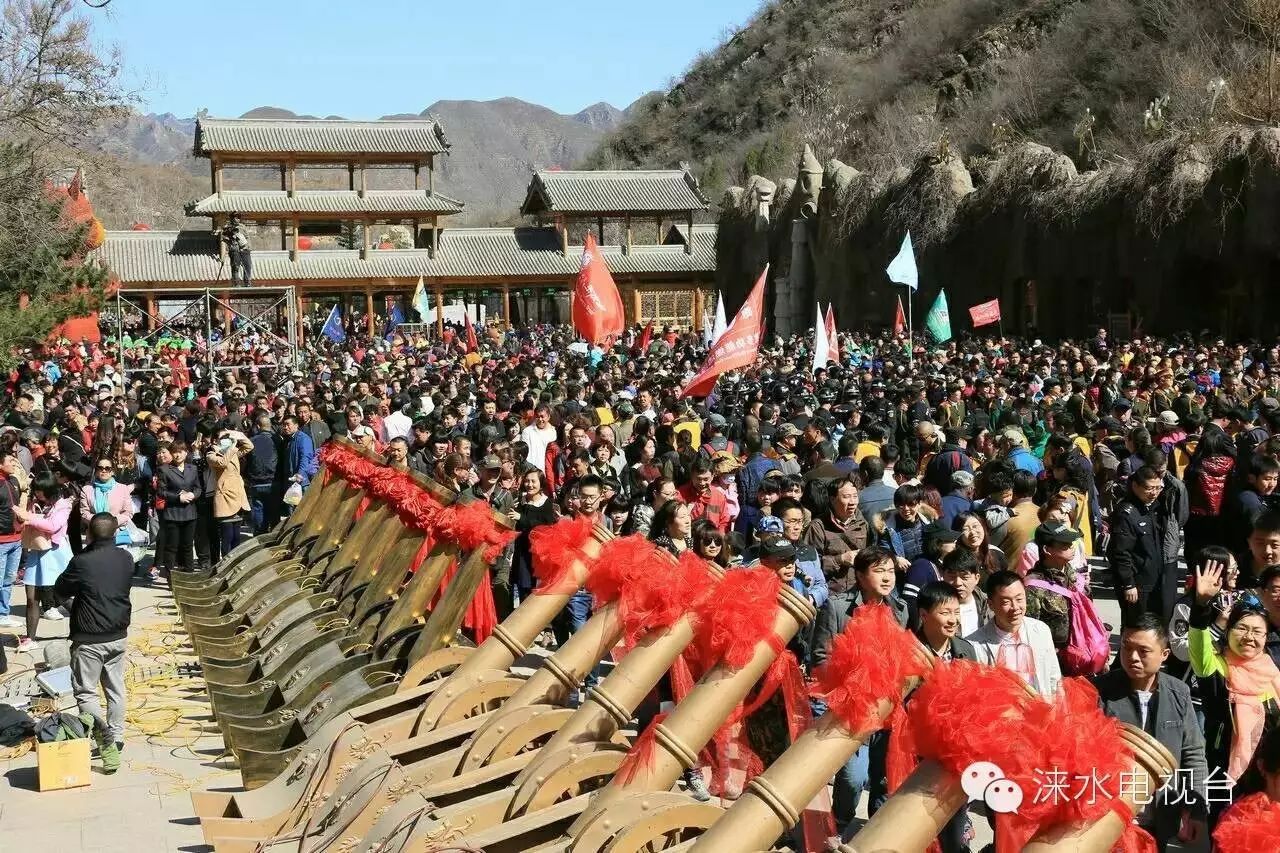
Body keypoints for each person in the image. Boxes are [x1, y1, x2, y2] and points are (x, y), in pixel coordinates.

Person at [1093, 614, 1208, 850]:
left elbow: (1194, 755)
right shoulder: (1099, 692)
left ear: (1164, 654)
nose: (1133, 657)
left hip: (1162, 814)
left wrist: (1197, 809)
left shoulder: (1179, 693)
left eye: (1143, 651)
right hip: (1111, 815)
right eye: (1127, 648)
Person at [816, 547, 907, 838]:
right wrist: (848, 683)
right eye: (879, 571)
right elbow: (820, 656)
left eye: (891, 571)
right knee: (854, 777)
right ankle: (839, 825)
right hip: (852, 707)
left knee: (883, 778)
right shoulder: (837, 607)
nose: (887, 577)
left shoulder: (900, 609)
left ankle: (873, 836)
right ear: (860, 575)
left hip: (888, 708)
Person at [1187, 559, 1280, 794]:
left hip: (1269, 776)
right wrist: (1201, 605)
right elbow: (1198, 642)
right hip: (1226, 774)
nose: (1249, 637)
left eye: (1257, 631)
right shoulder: (1216, 667)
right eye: (1241, 628)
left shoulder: (1272, 670)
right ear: (1228, 632)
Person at [54, 512, 135, 774]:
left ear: (88, 533)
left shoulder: (82, 562)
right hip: (118, 634)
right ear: (115, 533)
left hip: (89, 638)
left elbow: (60, 589)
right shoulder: (126, 558)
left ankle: (104, 740)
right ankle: (117, 736)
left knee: (86, 692)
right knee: (115, 688)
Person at [912, 580, 978, 853]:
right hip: (914, 750)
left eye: (956, 612)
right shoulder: (909, 649)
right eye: (945, 612)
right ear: (924, 615)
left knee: (952, 822)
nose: (952, 620)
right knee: (912, 822)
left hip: (953, 752)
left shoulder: (965, 650)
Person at [967, 571, 1062, 697]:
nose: (1015, 607)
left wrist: (1056, 704)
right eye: (1006, 602)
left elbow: (1054, 678)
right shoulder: (974, 644)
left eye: (1019, 599)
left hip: (1042, 704)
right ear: (991, 604)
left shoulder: (1041, 630)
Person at [14, 477, 73, 652]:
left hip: (55, 555)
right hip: (36, 551)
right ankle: (30, 638)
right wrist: (22, 516)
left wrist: (29, 518)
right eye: (36, 489)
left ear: (49, 489)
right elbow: (23, 523)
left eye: (40, 489)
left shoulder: (63, 505)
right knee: (31, 597)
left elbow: (53, 526)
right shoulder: (34, 503)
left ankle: (87, 625)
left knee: (60, 596)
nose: (37, 493)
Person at [1109, 465, 1169, 626]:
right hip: (1137, 583)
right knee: (1136, 627)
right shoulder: (1126, 513)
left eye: (1158, 488)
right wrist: (1128, 584)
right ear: (1135, 486)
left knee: (1153, 626)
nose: (1154, 493)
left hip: (1153, 578)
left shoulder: (1153, 508)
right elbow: (1120, 552)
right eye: (1149, 488)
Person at [156, 441, 200, 578]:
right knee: (171, 546)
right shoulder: (165, 469)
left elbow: (198, 487)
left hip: (190, 512)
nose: (177, 455)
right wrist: (177, 497)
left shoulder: (193, 468)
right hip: (173, 513)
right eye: (174, 452)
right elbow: (161, 491)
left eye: (180, 452)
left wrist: (193, 494)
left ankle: (189, 575)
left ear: (186, 453)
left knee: (188, 546)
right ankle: (170, 577)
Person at [207, 430, 253, 556]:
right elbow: (222, 463)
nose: (227, 439)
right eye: (223, 438)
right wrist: (232, 447)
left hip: (238, 495)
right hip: (225, 498)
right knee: (227, 536)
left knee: (237, 537)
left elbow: (249, 446)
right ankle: (225, 561)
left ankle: (235, 561)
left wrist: (236, 434)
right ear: (215, 441)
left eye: (227, 437)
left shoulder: (233, 452)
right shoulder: (211, 454)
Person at [942, 548, 991, 636]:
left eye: (964, 577)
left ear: (976, 578)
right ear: (943, 576)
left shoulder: (989, 604)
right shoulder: (933, 606)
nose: (958, 583)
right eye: (952, 576)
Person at [0, 450, 24, 630]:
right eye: (10, 461)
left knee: (9, 579)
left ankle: (3, 614)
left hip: (16, 539)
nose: (14, 464)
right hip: (1, 540)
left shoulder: (14, 481)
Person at [221, 213, 253, 287]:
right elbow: (224, 240)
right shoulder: (227, 228)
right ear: (232, 218)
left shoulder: (243, 227)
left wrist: (248, 247)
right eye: (235, 217)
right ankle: (236, 283)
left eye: (238, 217)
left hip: (245, 250)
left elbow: (247, 237)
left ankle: (247, 283)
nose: (237, 219)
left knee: (247, 266)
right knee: (235, 267)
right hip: (234, 250)